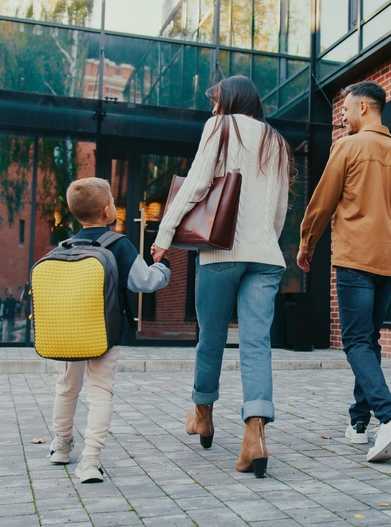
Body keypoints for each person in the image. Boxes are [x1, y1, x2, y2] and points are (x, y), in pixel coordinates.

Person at [151, 75, 292, 479]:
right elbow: (279, 208)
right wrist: (265, 241)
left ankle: (203, 415)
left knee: (211, 336)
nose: (212, 109)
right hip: (267, 256)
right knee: (256, 343)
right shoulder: (277, 141)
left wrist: (165, 236)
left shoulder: (221, 126)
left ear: (230, 101)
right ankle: (255, 436)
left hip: (221, 253)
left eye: (216, 102)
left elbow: (195, 185)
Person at [297, 80, 391, 462]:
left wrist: (307, 244)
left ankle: (390, 415)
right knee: (368, 340)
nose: (342, 114)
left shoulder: (348, 147)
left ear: (365, 109)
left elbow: (322, 202)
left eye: (347, 108)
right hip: (389, 262)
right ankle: (358, 422)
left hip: (355, 258)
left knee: (355, 342)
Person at [48, 177, 171, 483]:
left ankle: (61, 445)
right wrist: (163, 266)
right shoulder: (119, 245)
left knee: (67, 387)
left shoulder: (66, 246)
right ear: (107, 211)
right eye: (114, 201)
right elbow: (145, 282)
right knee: (100, 393)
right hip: (105, 334)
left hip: (68, 332)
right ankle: (90, 460)